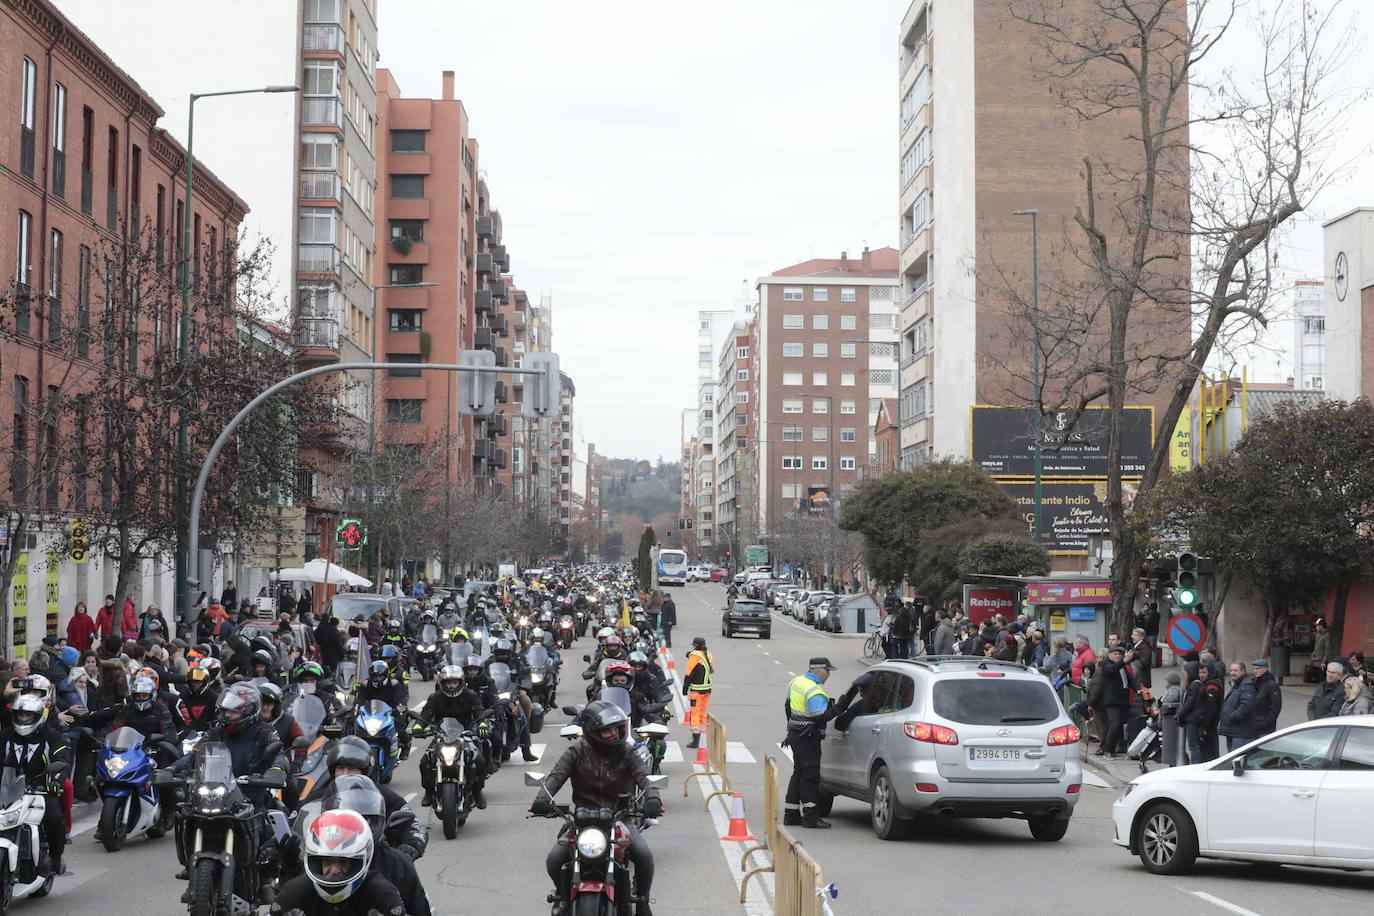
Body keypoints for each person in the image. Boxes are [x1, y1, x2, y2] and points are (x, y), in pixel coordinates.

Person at [532, 700, 661, 916]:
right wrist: (542, 799)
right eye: (607, 730)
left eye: (617, 728)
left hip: (620, 817)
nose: (614, 734)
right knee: (554, 859)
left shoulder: (627, 752)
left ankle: (642, 903)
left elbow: (644, 777)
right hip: (582, 819)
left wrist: (653, 799)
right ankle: (562, 896)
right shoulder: (576, 751)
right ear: (592, 733)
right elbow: (556, 776)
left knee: (644, 856)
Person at [271, 808, 406, 916]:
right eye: (327, 861)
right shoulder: (292, 895)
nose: (334, 870)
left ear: (359, 862)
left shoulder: (383, 895)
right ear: (316, 862)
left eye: (343, 862)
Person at [0, 694, 69, 876]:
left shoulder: (52, 736)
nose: (23, 719)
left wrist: (55, 781)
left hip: (40, 790)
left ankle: (55, 856)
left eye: (28, 716)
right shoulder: (5, 735)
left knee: (54, 818)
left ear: (38, 716)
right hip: (7, 790)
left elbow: (62, 759)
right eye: (20, 715)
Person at [783, 657, 844, 830]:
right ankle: (810, 817)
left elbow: (788, 706)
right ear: (817, 670)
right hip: (808, 738)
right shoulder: (814, 691)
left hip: (795, 734)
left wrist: (791, 728)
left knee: (798, 774)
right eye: (827, 670)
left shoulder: (797, 681)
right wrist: (838, 708)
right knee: (810, 777)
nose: (829, 674)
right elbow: (821, 718)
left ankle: (791, 814)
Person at [415, 666, 488, 809]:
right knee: (425, 762)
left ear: (460, 682)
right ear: (442, 683)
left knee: (480, 760)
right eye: (448, 683)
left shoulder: (470, 695)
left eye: (454, 683)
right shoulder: (435, 697)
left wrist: (483, 724)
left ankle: (477, 791)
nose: (451, 686)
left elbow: (479, 712)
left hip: (465, 735)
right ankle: (429, 791)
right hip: (442, 736)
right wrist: (418, 727)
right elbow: (425, 715)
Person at [354, 661, 411, 761]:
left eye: (379, 676)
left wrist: (399, 714)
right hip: (370, 715)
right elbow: (359, 702)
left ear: (385, 675)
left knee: (400, 729)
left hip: (390, 714)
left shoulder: (394, 685)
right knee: (354, 729)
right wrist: (356, 713)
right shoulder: (365, 685)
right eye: (375, 677)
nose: (377, 679)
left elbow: (401, 702)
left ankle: (406, 744)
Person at [1098, 645, 1136, 758]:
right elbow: (1111, 670)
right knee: (1114, 725)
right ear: (1109, 655)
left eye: (1119, 654)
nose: (1117, 656)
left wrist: (1137, 689)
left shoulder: (1122, 666)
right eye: (1115, 654)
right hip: (1112, 700)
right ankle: (1108, 750)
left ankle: (1116, 747)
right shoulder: (1106, 664)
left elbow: (1129, 680)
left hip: (1123, 700)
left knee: (1120, 725)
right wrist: (1123, 661)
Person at [682, 636, 713, 749]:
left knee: (695, 714)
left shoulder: (694, 655)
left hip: (696, 690)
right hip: (707, 689)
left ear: (695, 646)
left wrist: (685, 687)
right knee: (703, 714)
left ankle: (695, 741)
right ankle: (703, 740)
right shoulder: (708, 654)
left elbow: (689, 672)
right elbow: (702, 665)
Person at [1218, 661, 1256, 752]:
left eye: (1236, 670)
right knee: (1232, 759)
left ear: (1243, 671)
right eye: (1231, 670)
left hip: (1240, 732)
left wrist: (1231, 717)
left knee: (1238, 759)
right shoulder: (1237, 684)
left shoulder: (1247, 686)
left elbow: (1246, 707)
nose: (1232, 673)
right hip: (1233, 730)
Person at [1250, 658, 1282, 736]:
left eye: (1258, 669)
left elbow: (1276, 707)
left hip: (1265, 730)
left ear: (1265, 669)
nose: (1255, 671)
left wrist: (1265, 723)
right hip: (1253, 726)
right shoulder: (1254, 683)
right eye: (1254, 669)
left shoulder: (1271, 685)